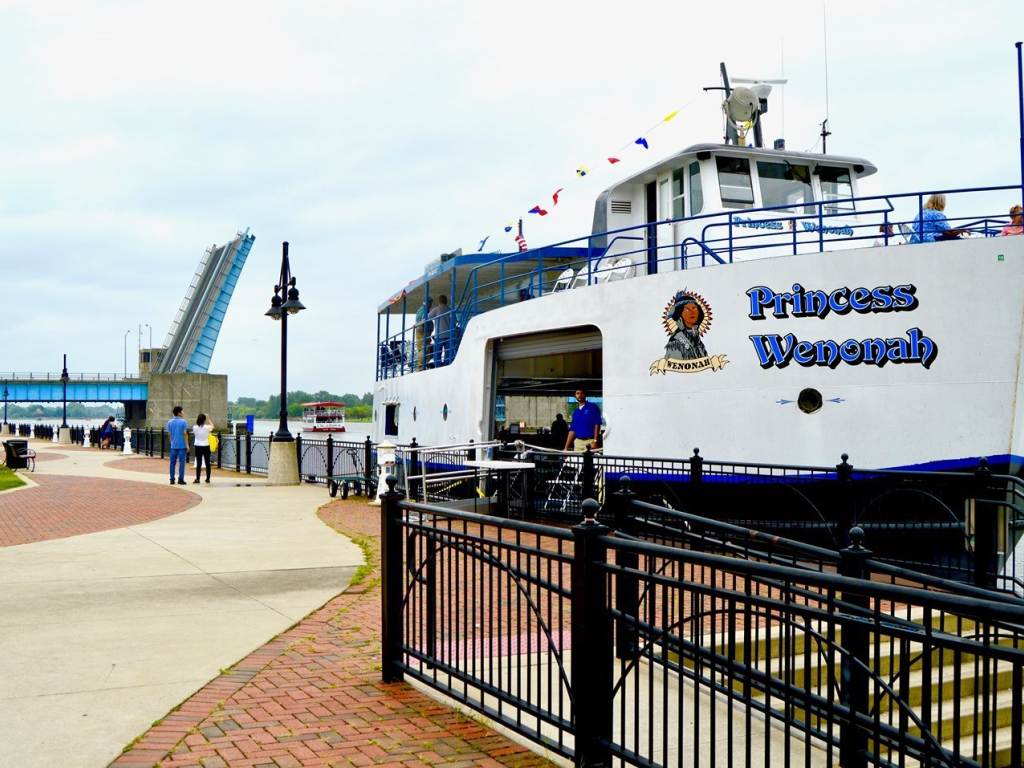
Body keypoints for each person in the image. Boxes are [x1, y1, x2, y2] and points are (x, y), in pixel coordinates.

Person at [664, 294, 708, 361]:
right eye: (687, 309)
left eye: (694, 308)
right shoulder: (675, 341)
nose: (692, 312)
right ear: (679, 314)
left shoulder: (697, 338)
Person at [166, 405, 189, 485]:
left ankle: (172, 479)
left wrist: (171, 442)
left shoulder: (169, 422)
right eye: (182, 411)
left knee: (172, 463)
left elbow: (169, 434)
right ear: (179, 413)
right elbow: (185, 434)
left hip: (173, 446)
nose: (183, 412)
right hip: (182, 446)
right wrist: (187, 445)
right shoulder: (184, 422)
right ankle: (181, 479)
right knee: (181, 463)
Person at [429, 294, 452, 366]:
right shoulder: (450, 309)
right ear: (446, 301)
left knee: (437, 353)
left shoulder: (436, 309)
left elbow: (428, 317)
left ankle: (438, 366)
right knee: (448, 352)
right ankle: (446, 364)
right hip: (449, 334)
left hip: (439, 335)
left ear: (439, 301)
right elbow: (455, 321)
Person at [192, 413, 214, 484]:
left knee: (199, 463)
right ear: (204, 420)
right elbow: (213, 426)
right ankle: (208, 478)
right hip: (206, 445)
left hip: (198, 445)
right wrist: (208, 419)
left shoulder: (194, 427)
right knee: (207, 462)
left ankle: (197, 479)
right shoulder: (207, 427)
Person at [414, 297, 432, 370]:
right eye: (430, 303)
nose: (431, 305)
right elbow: (423, 321)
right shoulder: (424, 310)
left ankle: (422, 365)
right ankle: (420, 366)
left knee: (425, 349)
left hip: (422, 331)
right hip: (423, 332)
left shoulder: (420, 310)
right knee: (424, 349)